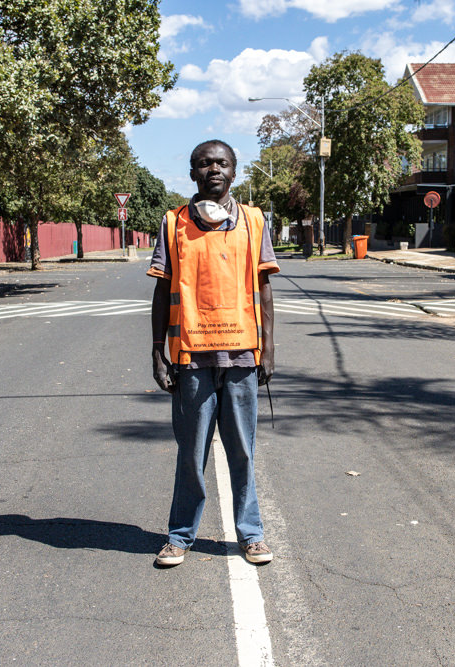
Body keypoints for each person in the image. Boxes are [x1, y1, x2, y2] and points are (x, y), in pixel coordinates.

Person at [147, 139, 279, 567]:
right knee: (191, 453)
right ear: (193, 173)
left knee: (242, 451)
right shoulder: (173, 223)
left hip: (241, 356)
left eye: (221, 163)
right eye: (204, 164)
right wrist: (156, 351)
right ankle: (180, 537)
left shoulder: (255, 222)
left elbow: (264, 288)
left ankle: (252, 534)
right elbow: (162, 289)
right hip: (190, 359)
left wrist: (269, 347)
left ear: (234, 172)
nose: (213, 170)